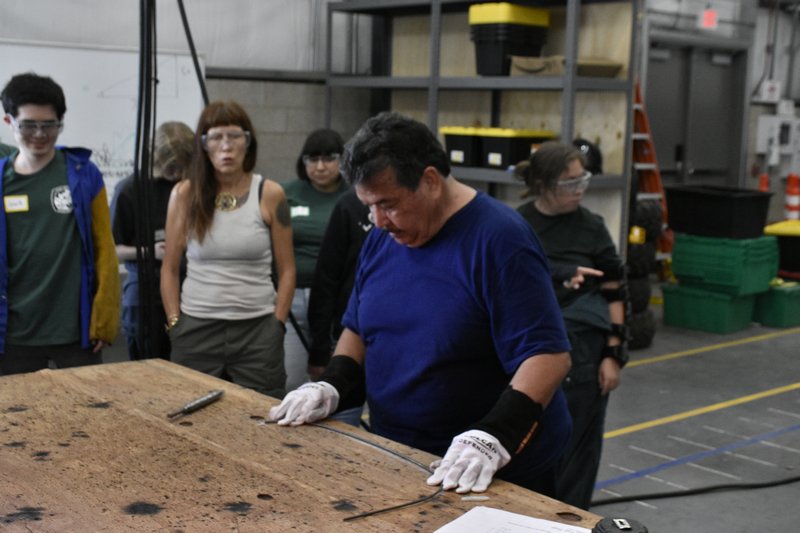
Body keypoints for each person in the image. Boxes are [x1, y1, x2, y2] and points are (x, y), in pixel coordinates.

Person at [268, 112, 572, 497]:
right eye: (368, 206)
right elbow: (360, 327)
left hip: (490, 471)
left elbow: (548, 357)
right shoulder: (385, 236)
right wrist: (331, 384)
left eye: (388, 204)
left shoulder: (501, 240)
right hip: (401, 455)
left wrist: (493, 436)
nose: (378, 220)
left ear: (430, 181)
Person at [515, 141, 627, 509]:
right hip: (529, 346)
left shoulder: (592, 227)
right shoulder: (520, 224)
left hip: (583, 351)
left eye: (583, 180)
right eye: (569, 183)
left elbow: (615, 290)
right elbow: (509, 276)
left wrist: (613, 355)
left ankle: (572, 519)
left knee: (579, 446)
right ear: (544, 184)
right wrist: (560, 272)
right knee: (528, 441)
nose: (579, 189)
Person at [160, 101, 295, 398]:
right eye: (216, 137)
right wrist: (175, 323)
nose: (226, 146)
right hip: (196, 329)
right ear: (203, 145)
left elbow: (287, 270)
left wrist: (277, 324)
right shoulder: (185, 194)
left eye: (234, 136)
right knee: (188, 411)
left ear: (248, 142)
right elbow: (169, 268)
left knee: (262, 410)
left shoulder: (270, 193)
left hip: (258, 331)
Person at [0, 72, 119, 374]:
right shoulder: (2, 180)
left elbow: (104, 249)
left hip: (76, 331)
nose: (40, 133)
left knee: (87, 403)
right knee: (18, 406)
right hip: (14, 335)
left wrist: (104, 319)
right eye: (29, 125)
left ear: (60, 122)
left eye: (49, 124)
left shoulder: (83, 174)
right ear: (9, 121)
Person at [111, 121, 194, 360]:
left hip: (189, 291)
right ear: (156, 158)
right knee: (149, 366)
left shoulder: (189, 188)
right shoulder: (129, 190)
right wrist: (150, 251)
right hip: (146, 294)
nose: (177, 173)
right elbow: (112, 250)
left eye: (183, 167)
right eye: (172, 167)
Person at [281, 129, 350, 391]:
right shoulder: (285, 193)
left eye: (329, 158)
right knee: (292, 379)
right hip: (293, 297)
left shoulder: (354, 197)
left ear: (342, 160)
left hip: (336, 302)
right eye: (312, 159)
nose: (320, 167)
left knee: (332, 380)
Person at [306, 188, 371, 380]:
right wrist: (319, 349)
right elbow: (326, 278)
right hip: (350, 327)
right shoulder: (349, 203)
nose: (383, 218)